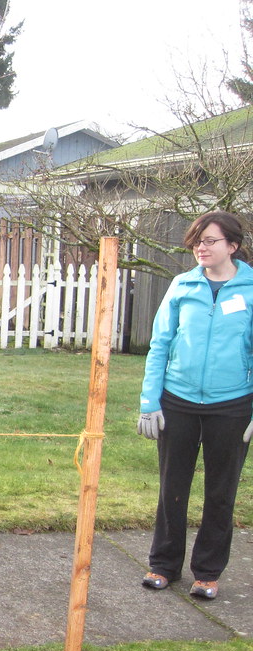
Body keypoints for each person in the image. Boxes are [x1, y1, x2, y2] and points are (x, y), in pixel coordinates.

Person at [138, 210, 253, 601]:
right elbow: (160, 345)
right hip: (178, 401)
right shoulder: (182, 285)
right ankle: (164, 565)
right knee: (173, 485)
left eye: (210, 241)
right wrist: (149, 400)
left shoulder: (251, 289)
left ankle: (207, 572)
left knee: (221, 491)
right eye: (197, 241)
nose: (201, 248)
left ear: (232, 246)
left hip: (232, 405)